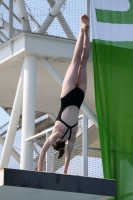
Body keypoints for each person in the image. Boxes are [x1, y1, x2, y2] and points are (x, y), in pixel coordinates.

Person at [38, 14, 90, 174]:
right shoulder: (56, 133)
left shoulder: (71, 135)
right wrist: (40, 170)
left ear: (63, 142)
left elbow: (68, 153)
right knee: (75, 60)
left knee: (84, 61)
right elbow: (42, 152)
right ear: (55, 142)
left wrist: (66, 169)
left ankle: (86, 32)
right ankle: (82, 30)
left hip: (78, 97)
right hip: (67, 97)